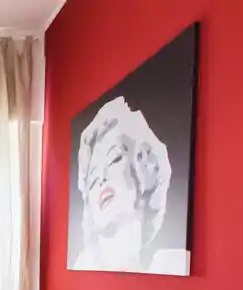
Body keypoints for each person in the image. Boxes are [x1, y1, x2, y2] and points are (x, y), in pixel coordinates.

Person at [73, 96, 188, 275]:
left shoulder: (172, 264)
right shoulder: (82, 266)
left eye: (114, 159)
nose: (102, 178)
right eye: (93, 179)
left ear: (144, 170)